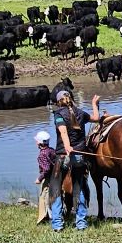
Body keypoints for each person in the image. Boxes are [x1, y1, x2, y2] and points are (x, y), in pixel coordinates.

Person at [47, 86, 89, 231]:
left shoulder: (58, 114)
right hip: (79, 155)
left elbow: (63, 131)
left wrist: (67, 146)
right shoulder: (81, 113)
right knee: (80, 187)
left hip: (63, 155)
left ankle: (57, 224)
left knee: (56, 187)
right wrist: (95, 105)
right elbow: (96, 118)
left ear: (58, 102)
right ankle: (81, 223)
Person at [34, 131, 55, 221]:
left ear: (39, 142)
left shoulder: (42, 155)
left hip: (47, 178)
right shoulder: (51, 150)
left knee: (45, 197)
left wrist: (39, 179)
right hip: (55, 177)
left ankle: (50, 218)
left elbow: (46, 169)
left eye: (36, 140)